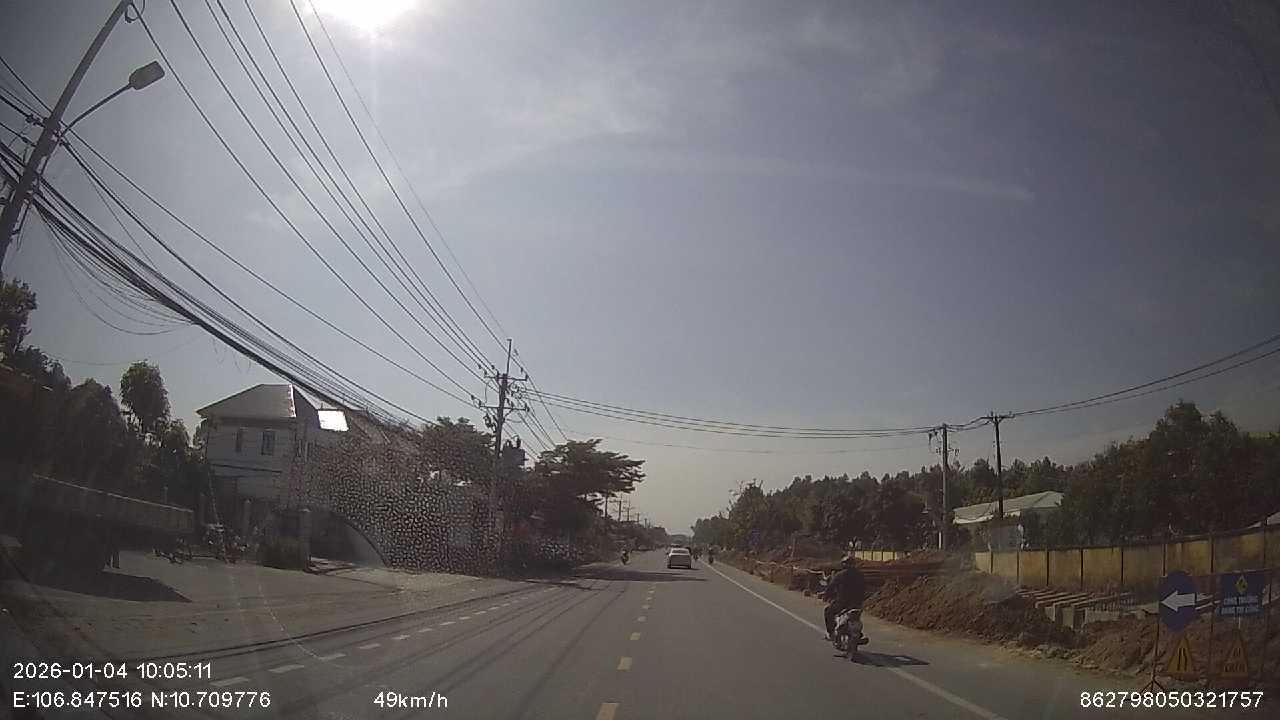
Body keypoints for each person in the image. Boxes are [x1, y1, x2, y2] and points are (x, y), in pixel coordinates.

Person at [822, 554, 866, 642]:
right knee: (856, 617)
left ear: (843, 564)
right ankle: (858, 634)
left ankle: (831, 633)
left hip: (842, 602)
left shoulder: (840, 575)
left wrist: (826, 596)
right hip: (857, 603)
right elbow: (864, 588)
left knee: (828, 611)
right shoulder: (860, 575)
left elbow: (831, 587)